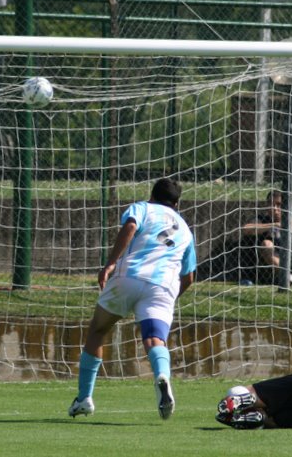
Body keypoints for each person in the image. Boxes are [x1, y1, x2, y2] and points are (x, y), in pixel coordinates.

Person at [68, 178, 197, 420]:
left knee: (98, 328)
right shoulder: (186, 230)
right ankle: (162, 377)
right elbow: (189, 276)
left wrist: (110, 263)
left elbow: (130, 227)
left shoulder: (143, 208)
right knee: (155, 338)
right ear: (177, 204)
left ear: (152, 195)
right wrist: (168, 297)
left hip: (130, 276)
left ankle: (84, 398)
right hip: (163, 285)